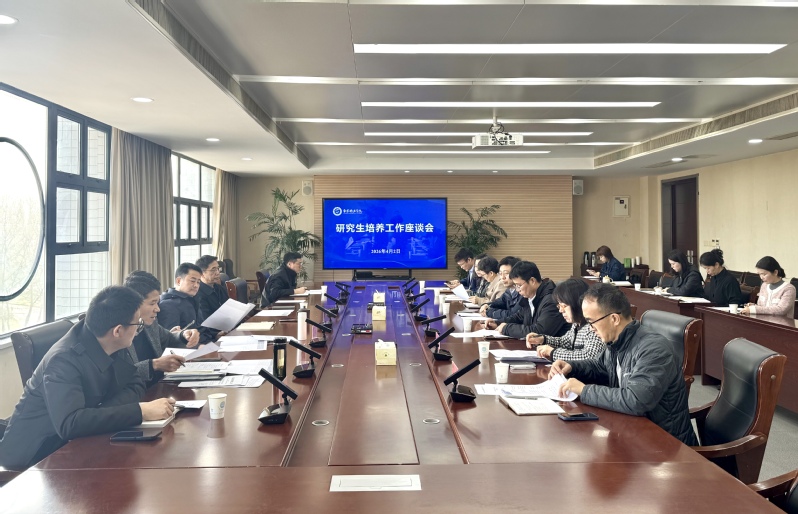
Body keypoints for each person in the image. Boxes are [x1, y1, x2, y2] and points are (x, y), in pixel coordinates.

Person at [0, 286, 176, 471]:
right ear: (117, 330)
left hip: (82, 442)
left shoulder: (112, 341)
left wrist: (96, 414)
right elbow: (71, 424)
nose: (139, 329)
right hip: (36, 457)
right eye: (137, 324)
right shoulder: (62, 360)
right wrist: (140, 411)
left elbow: (135, 383)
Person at [550, 283, 697, 446]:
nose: (590, 329)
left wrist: (585, 390)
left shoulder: (654, 349)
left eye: (592, 322)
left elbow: (636, 400)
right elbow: (600, 367)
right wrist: (572, 366)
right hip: (634, 433)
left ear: (614, 319)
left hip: (665, 445)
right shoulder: (617, 341)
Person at [124, 271, 200, 386]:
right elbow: (120, 375)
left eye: (157, 303)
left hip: (160, 386)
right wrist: (154, 365)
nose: (157, 309)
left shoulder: (150, 323)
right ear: (134, 303)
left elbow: (168, 338)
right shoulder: (119, 332)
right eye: (152, 303)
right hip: (139, 393)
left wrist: (184, 335)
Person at [525, 278, 606, 361]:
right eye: (559, 306)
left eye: (564, 306)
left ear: (578, 304)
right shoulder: (576, 324)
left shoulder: (593, 327)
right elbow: (565, 342)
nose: (561, 310)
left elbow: (589, 357)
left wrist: (553, 352)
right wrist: (543, 339)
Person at [483, 261, 568, 339]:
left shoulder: (551, 300)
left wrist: (506, 328)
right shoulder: (531, 296)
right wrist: (497, 323)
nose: (517, 290)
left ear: (532, 281)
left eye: (519, 285)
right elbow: (519, 317)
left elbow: (540, 332)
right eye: (516, 286)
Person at [159, 263, 215, 343]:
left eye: (198, 282)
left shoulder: (193, 299)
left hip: (207, 343)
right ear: (178, 281)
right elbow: (171, 339)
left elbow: (200, 328)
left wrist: (216, 335)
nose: (196, 285)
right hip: (193, 348)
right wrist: (199, 346)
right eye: (192, 281)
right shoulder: (168, 305)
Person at [479, 256, 522, 322]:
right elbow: (498, 302)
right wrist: (487, 305)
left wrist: (490, 312)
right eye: (500, 273)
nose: (502, 277)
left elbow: (512, 314)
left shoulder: (523, 292)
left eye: (506, 273)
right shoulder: (509, 291)